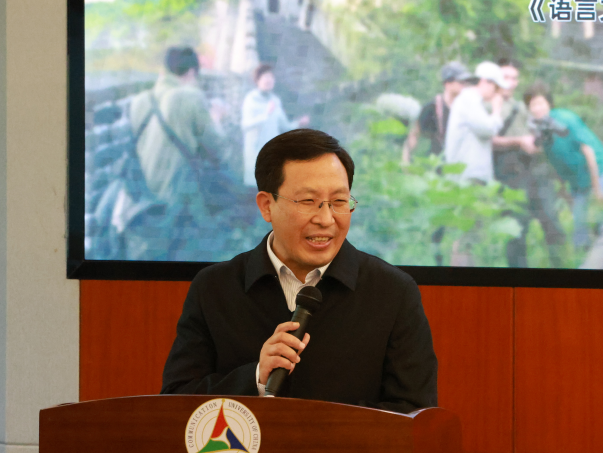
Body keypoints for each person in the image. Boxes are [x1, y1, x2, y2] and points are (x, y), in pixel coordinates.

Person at [161, 128, 438, 410]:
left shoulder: (392, 293)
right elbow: (175, 402)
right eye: (308, 201)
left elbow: (414, 413)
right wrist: (255, 378)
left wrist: (320, 429)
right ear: (266, 206)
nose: (326, 219)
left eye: (339, 202)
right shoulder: (215, 289)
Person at [127, 46, 233, 259]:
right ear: (192, 72)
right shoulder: (190, 96)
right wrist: (217, 119)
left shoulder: (138, 101)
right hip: (179, 202)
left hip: (142, 201)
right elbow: (219, 150)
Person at [492, 59, 565, 268]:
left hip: (532, 169)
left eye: (514, 78)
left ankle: (562, 268)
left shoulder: (520, 106)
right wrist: (519, 141)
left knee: (551, 221)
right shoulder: (488, 104)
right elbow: (485, 140)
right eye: (506, 77)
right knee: (517, 230)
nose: (510, 82)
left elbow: (534, 132)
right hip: (507, 173)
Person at [523, 83, 603, 251]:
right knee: (580, 223)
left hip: (596, 169)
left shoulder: (565, 119)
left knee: (601, 218)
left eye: (540, 103)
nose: (537, 108)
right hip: (576, 179)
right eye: (533, 105)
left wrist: (597, 189)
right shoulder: (540, 129)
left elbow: (588, 151)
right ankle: (583, 255)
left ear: (549, 103)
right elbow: (555, 159)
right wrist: (564, 188)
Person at [240, 63, 309, 187]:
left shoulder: (275, 100)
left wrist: (299, 123)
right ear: (258, 80)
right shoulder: (251, 99)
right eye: (266, 77)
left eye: (271, 77)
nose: (269, 80)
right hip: (255, 155)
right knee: (255, 190)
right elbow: (245, 125)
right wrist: (265, 114)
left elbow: (285, 126)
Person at [443, 61, 505, 184]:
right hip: (467, 177)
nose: (497, 93)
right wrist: (497, 111)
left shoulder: (473, 101)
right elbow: (487, 129)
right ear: (485, 82)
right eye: (496, 87)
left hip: (470, 175)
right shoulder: (469, 99)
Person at [403, 61, 472, 164]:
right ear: (448, 84)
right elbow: (414, 134)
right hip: (437, 163)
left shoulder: (468, 107)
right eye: (461, 82)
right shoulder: (432, 108)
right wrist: (406, 161)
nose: (465, 85)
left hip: (462, 163)